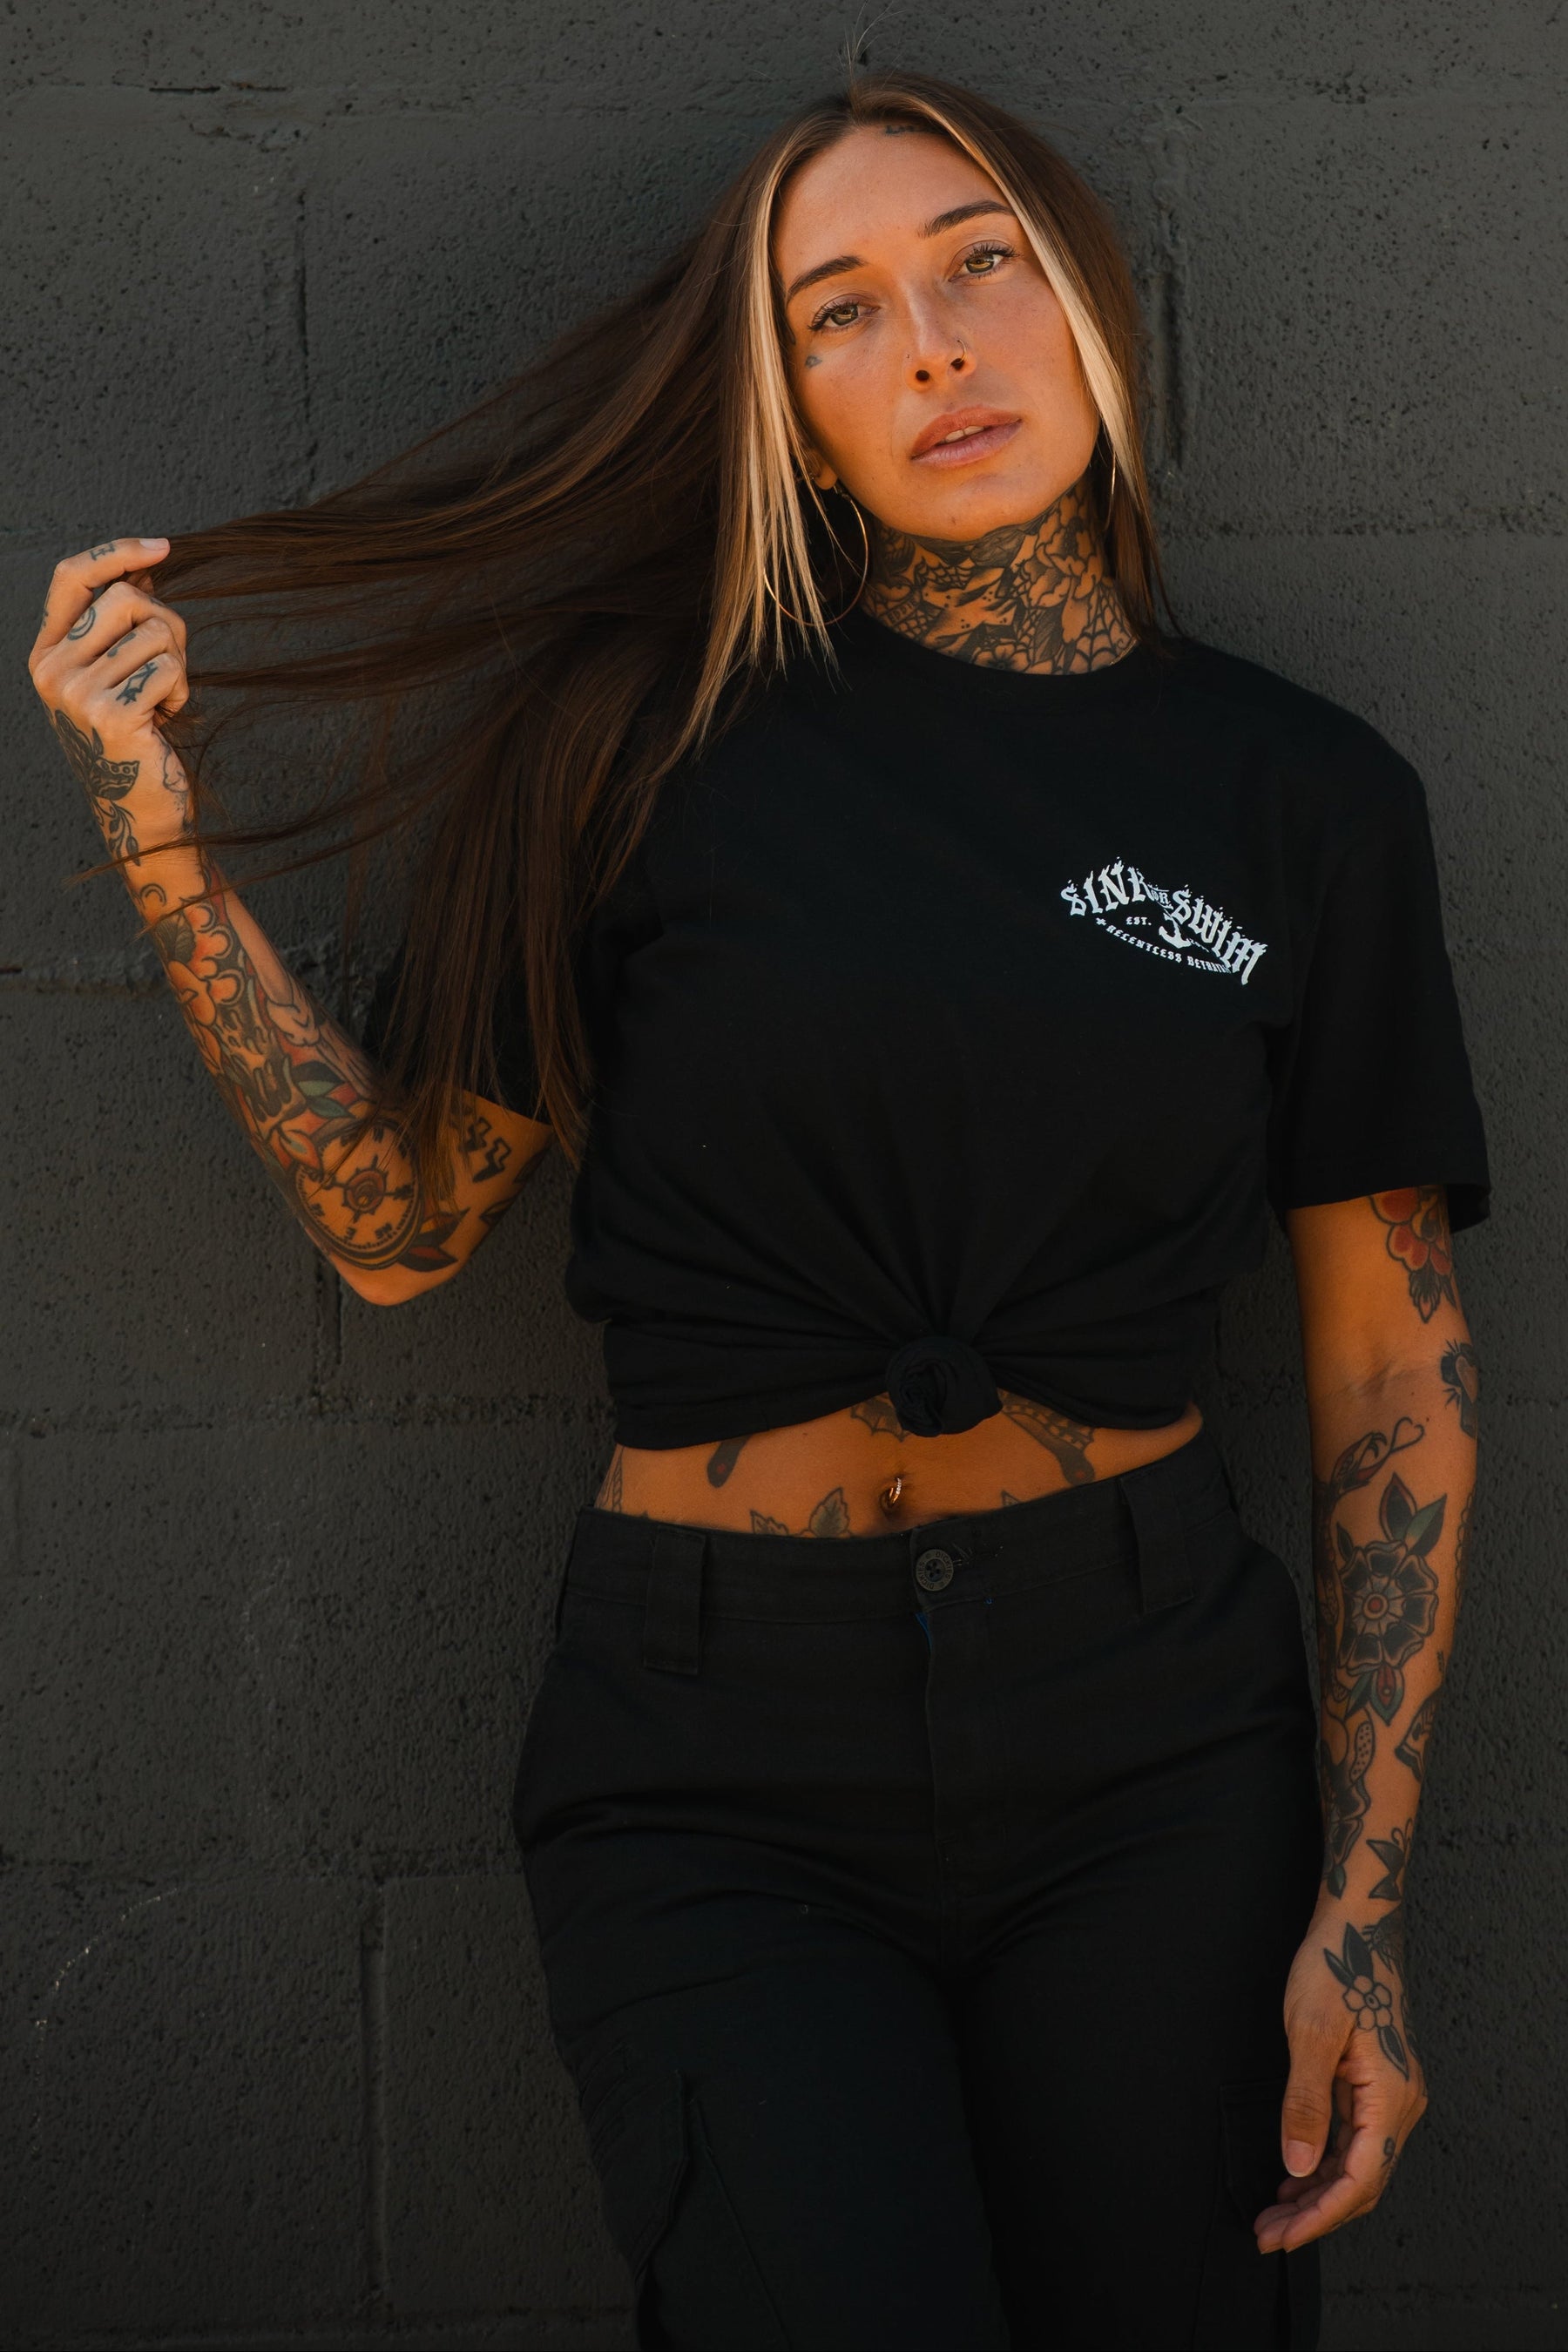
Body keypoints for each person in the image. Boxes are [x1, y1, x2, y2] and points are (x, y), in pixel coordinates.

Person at [27, 68, 1488, 2352]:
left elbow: (1392, 1373)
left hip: (1151, 1746)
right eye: (843, 311)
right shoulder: (635, 741)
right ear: (793, 412)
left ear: (1090, 305)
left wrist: (1364, 1910)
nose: (932, 343)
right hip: (719, 1768)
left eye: (983, 260)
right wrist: (156, 832)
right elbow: (399, 1223)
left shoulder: (1305, 798)